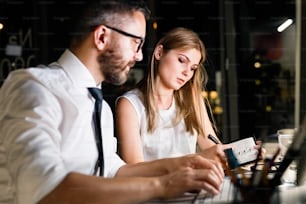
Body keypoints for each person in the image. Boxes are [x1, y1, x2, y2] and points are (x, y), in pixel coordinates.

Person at [0, 1, 226, 204]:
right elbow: (47, 188)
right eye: (136, 43)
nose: (139, 56)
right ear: (101, 37)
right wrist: (164, 185)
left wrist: (181, 166)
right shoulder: (35, 87)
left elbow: (116, 171)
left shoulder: (100, 107)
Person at [115, 27, 224, 164]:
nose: (187, 73)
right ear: (159, 53)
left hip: (190, 184)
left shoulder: (192, 99)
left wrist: (249, 152)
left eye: (193, 68)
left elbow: (213, 148)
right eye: (181, 60)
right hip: (150, 184)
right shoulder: (130, 104)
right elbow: (134, 168)